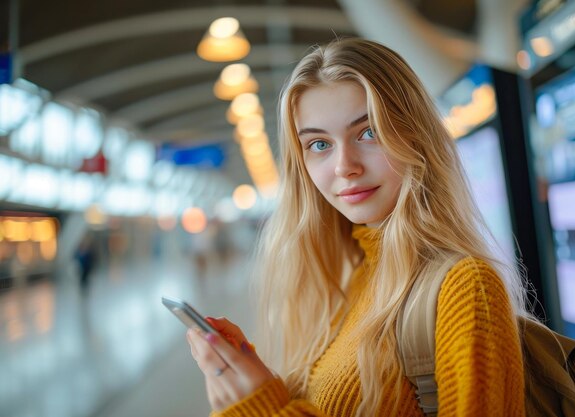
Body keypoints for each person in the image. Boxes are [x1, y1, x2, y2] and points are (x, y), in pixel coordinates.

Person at [186, 37, 529, 416]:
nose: (344, 166)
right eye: (319, 144)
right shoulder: (345, 279)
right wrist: (259, 386)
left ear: (416, 137)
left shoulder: (464, 287)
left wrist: (264, 411)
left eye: (369, 133)